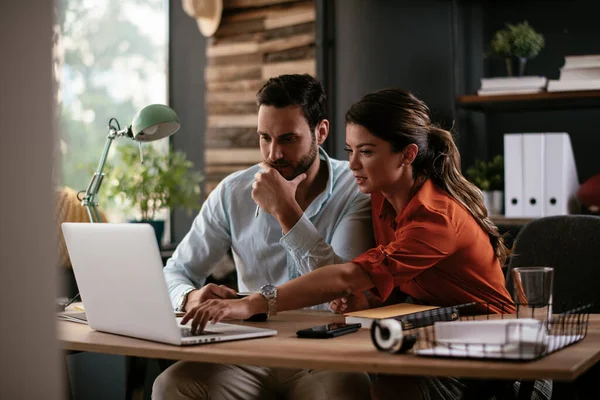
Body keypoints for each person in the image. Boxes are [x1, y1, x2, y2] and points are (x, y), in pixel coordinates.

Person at [181, 89, 550, 400]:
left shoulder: (435, 216)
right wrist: (367, 301)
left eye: (367, 152)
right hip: (433, 341)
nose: (353, 164)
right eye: (350, 149)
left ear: (407, 155)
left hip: (501, 364)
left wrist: (252, 303)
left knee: (386, 379)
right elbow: (394, 289)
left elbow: (347, 275)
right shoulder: (380, 197)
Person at [152, 74, 374, 400]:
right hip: (249, 349)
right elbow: (174, 272)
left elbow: (345, 284)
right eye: (264, 138)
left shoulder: (355, 190)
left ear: (321, 132)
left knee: (346, 390)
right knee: (170, 386)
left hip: (327, 353)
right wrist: (189, 297)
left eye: (287, 139)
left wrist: (286, 211)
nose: (273, 154)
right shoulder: (232, 192)